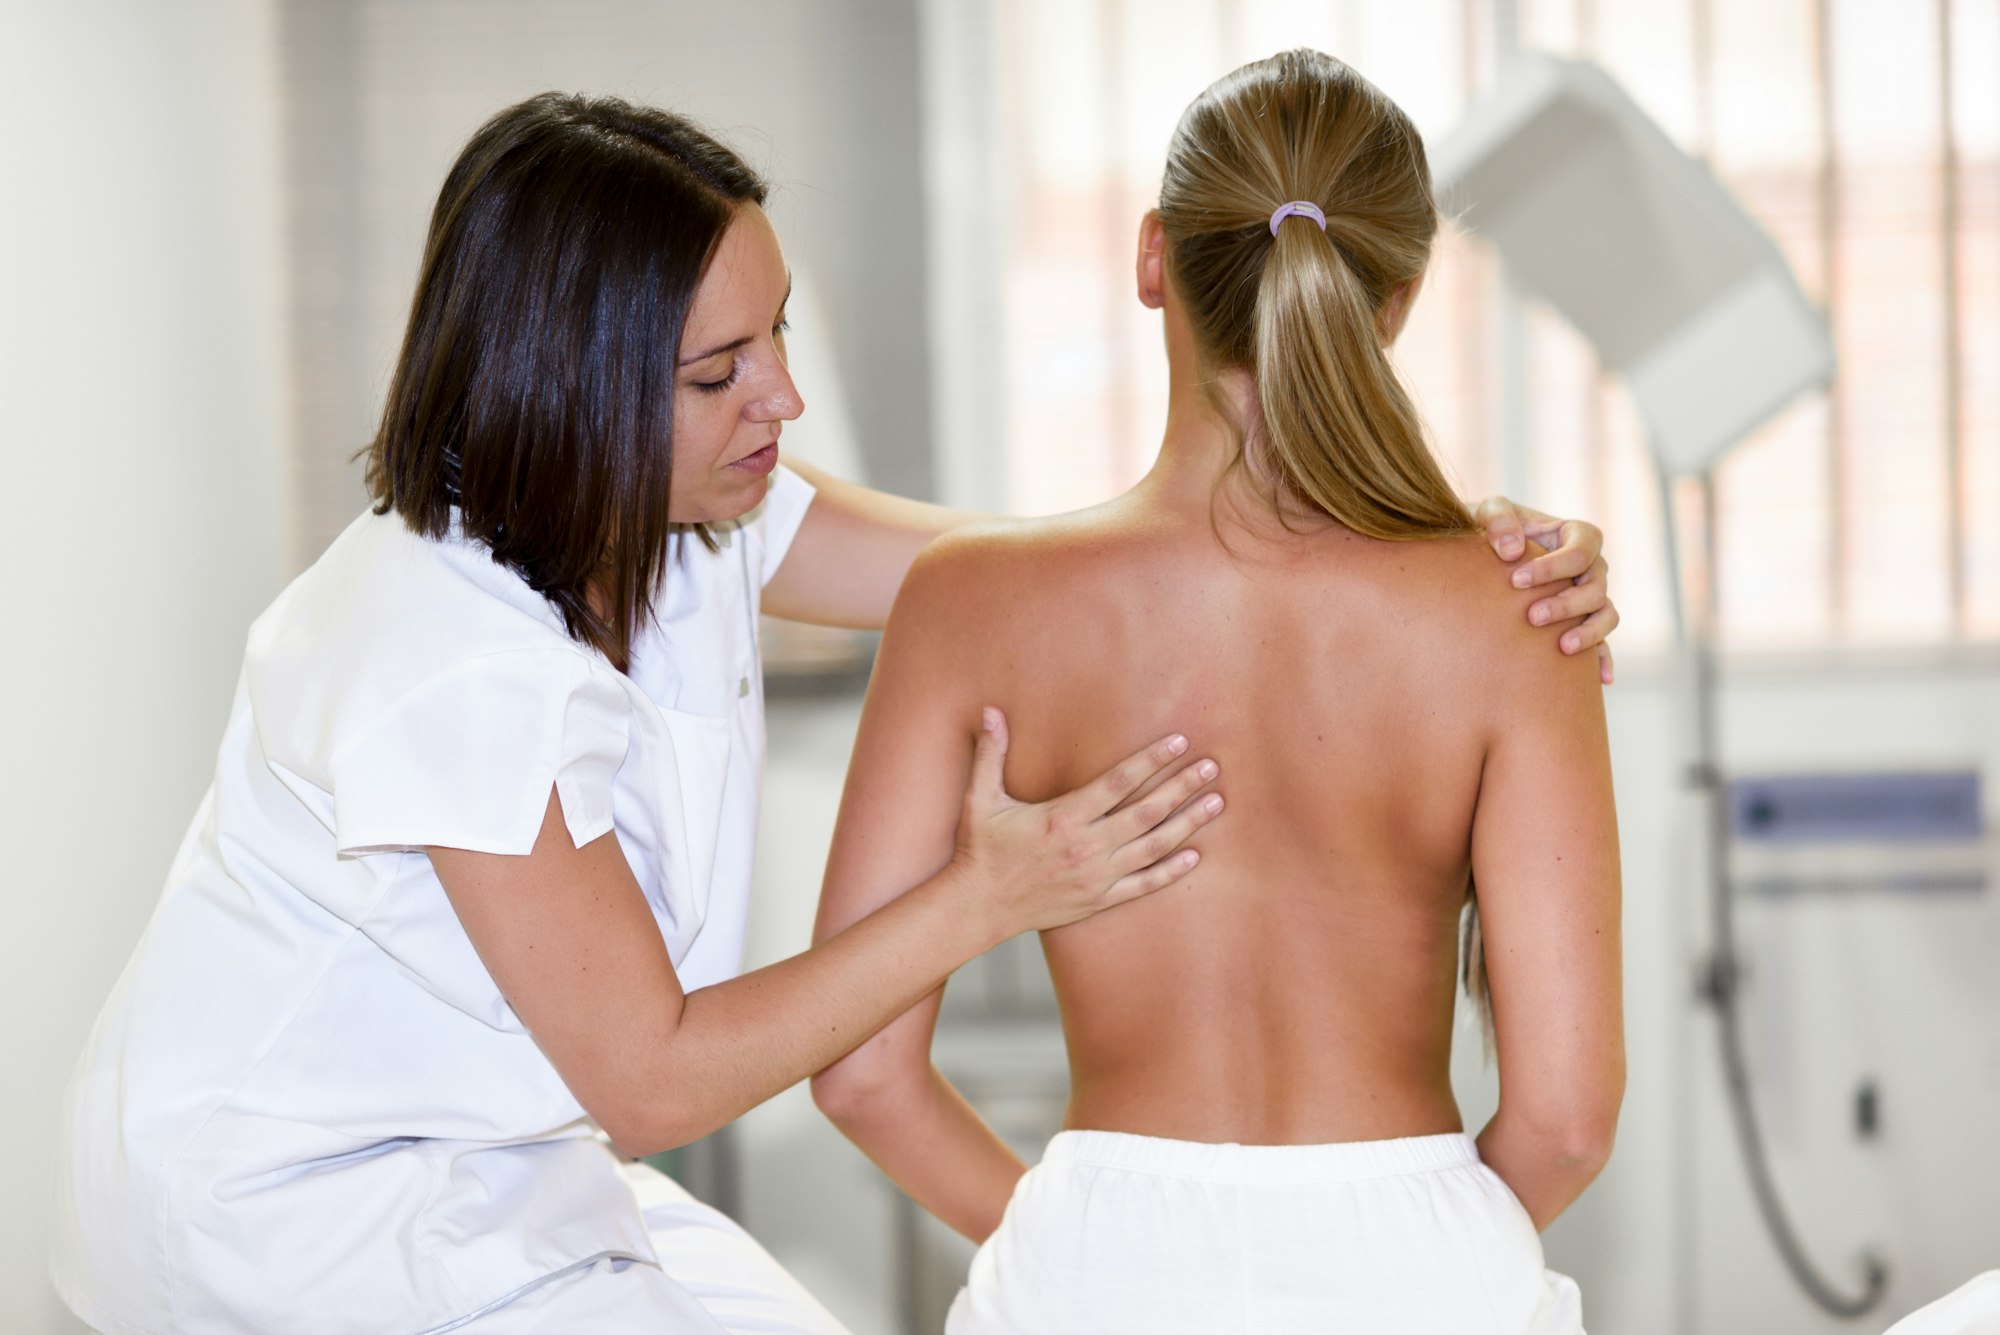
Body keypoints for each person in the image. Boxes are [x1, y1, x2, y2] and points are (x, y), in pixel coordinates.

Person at [52, 91, 1616, 1334]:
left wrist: (1423, 530)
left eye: (778, 335)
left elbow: (1061, 574)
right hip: (294, 1222)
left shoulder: (700, 505)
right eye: (722, 369)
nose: (784, 402)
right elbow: (653, 1081)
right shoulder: (435, 651)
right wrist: (991, 889)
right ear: (576, 386)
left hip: (546, 1173)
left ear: (1155, 261)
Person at [810, 50, 1622, 1335]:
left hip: (1093, 1260)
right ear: (1395, 299)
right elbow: (1568, 1120)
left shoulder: (965, 600)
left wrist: (1091, 1242)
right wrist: (1413, 1260)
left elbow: (859, 1077)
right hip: (1421, 1259)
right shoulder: (1522, 606)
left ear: (1151, 259)